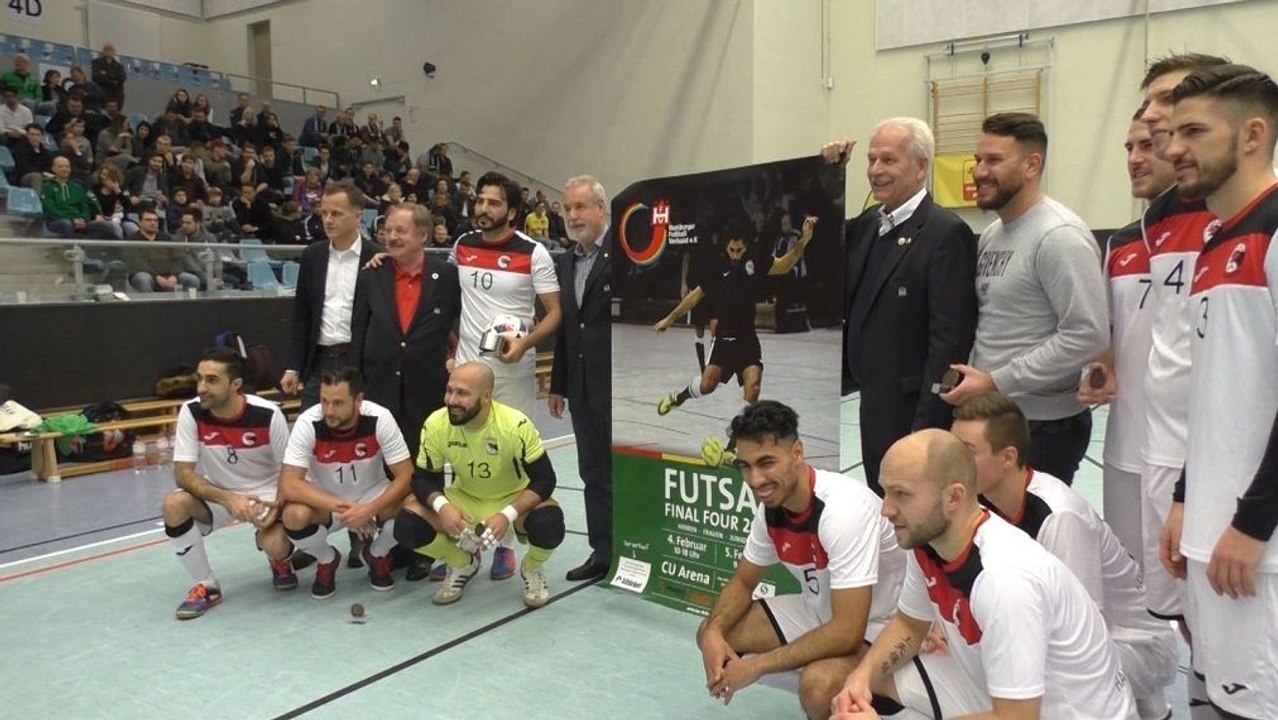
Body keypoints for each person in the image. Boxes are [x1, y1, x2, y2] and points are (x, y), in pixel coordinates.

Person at [830, 429, 1136, 720]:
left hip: (1057, 713)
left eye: (902, 494)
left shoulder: (1004, 581)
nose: (886, 509)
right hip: (1006, 698)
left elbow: (1016, 718)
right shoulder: (927, 541)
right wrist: (861, 679)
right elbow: (910, 624)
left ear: (953, 497)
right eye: (885, 491)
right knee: (838, 684)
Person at [1161, 64, 1278, 720]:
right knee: (1214, 702)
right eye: (1172, 131)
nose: (1174, 147)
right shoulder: (1215, 241)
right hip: (1214, 535)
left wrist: (1253, 522)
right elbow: (1216, 395)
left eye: (1195, 131)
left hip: (1257, 549)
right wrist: (1185, 498)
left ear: (1253, 134)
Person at [952, 392, 1178, 719]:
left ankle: (1147, 707)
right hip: (1109, 637)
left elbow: (1084, 632)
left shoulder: (1058, 517)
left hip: (1138, 647)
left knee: (1017, 682)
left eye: (967, 452)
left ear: (1008, 457)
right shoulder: (986, 501)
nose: (954, 463)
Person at [696, 401, 905, 719]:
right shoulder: (771, 509)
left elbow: (848, 630)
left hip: (884, 625)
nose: (755, 480)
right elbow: (743, 581)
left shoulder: (842, 511)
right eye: (745, 466)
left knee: (818, 685)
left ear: (797, 453)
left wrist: (756, 666)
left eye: (766, 463)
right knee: (714, 630)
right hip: (824, 611)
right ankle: (825, 669)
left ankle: (882, 702)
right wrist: (713, 632)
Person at [939, 113, 1108, 485]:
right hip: (994, 419)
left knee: (1030, 540)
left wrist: (996, 380)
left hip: (1042, 429)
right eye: (978, 160)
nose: (980, 171)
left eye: (994, 160)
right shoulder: (993, 235)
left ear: (1033, 165)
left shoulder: (1059, 236)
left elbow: (1087, 334)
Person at [823, 117, 978, 495]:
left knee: (920, 514)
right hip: (872, 404)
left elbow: (949, 342)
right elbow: (815, 236)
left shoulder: (945, 234)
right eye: (871, 160)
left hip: (914, 413)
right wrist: (826, 176)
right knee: (886, 507)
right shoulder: (864, 230)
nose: (876, 170)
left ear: (921, 167)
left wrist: (926, 429)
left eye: (888, 160)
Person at [1134, 53, 1230, 644]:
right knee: (1188, 620)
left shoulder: (1247, 219)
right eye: (1149, 103)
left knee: (1228, 616)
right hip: (1161, 448)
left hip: (1220, 459)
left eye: (1167, 100)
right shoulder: (1160, 216)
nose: (1152, 116)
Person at [1076, 106, 1177, 572]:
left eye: (1148, 146)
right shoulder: (1119, 244)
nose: (1135, 159)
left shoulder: (1218, 237)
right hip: (1125, 446)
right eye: (1129, 148)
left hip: (1186, 452)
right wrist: (1103, 367)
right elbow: (1113, 335)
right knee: (1134, 580)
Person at [392, 362, 566, 608]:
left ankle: (533, 567)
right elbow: (422, 478)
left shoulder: (515, 425)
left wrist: (507, 514)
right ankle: (462, 563)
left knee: (549, 522)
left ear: (486, 396)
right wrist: (442, 506)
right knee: (407, 524)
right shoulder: (436, 424)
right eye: (449, 390)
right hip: (466, 499)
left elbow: (545, 479)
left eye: (462, 393)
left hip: (513, 499)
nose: (451, 400)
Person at [350, 202, 461, 579]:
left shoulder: (446, 276)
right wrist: (356, 385)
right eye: (387, 230)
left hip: (426, 390)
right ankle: (390, 545)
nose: (391, 236)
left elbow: (461, 323)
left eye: (400, 230)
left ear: (423, 237)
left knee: (425, 470)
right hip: (380, 388)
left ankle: (426, 547)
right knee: (386, 470)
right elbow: (358, 331)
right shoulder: (372, 275)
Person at [161, 347, 299, 620]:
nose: (202, 387)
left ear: (235, 384)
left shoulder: (268, 414)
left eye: (212, 380)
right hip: (219, 493)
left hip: (268, 494)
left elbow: (292, 472)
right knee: (174, 504)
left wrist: (279, 505)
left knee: (275, 543)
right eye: (200, 379)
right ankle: (206, 585)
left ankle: (280, 560)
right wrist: (228, 499)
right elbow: (184, 475)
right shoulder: (191, 412)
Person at [654, 218, 816, 419]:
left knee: (753, 385)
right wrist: (669, 319)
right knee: (707, 385)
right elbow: (695, 296)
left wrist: (805, 240)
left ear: (745, 246)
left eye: (739, 250)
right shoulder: (718, 266)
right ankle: (678, 398)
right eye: (732, 250)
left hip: (747, 337)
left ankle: (733, 443)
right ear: (726, 246)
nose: (736, 255)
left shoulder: (755, 259)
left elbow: (784, 265)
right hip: (724, 337)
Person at [279, 367, 413, 598]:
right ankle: (327, 559)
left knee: (413, 507)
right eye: (324, 401)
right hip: (326, 500)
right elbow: (289, 484)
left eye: (338, 403)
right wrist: (348, 510)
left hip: (370, 494)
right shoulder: (308, 422)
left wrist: (369, 509)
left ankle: (376, 553)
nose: (329, 411)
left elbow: (406, 475)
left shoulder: (380, 418)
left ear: (358, 400)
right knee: (293, 515)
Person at [548, 176, 613, 582]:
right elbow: (568, 326)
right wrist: (559, 383)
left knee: (626, 471)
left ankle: (639, 549)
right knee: (592, 471)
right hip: (582, 387)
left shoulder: (624, 255)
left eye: (581, 207)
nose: (573, 215)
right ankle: (603, 552)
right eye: (568, 208)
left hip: (621, 386)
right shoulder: (566, 260)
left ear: (601, 209)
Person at [282, 179, 384, 409]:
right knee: (309, 430)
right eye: (324, 212)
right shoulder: (312, 256)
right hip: (320, 361)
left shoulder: (378, 258)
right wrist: (293, 366)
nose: (328, 220)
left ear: (358, 216)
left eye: (336, 213)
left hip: (360, 361)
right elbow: (302, 315)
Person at [119, 209, 201, 293]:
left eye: (155, 220)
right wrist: (157, 277)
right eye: (148, 220)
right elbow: (137, 263)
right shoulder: (132, 241)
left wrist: (174, 275)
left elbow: (178, 257)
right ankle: (150, 306)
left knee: (193, 280)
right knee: (143, 279)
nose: (153, 223)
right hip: (147, 275)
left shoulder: (166, 238)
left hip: (170, 275)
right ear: (140, 222)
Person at [41, 155, 117, 240]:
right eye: (61, 166)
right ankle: (71, 250)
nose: (65, 169)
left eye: (67, 167)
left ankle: (111, 252)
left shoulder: (77, 187)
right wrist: (72, 220)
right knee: (66, 224)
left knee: (104, 226)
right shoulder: (47, 187)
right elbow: (50, 210)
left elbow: (85, 208)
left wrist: (83, 220)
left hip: (79, 220)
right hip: (57, 221)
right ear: (53, 168)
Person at [91, 43, 127, 109]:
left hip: (116, 97)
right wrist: (114, 80)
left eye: (110, 49)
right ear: (103, 51)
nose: (108, 51)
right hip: (101, 96)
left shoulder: (119, 66)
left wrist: (106, 74)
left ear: (114, 52)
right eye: (106, 49)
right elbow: (96, 77)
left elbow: (122, 78)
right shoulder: (96, 63)